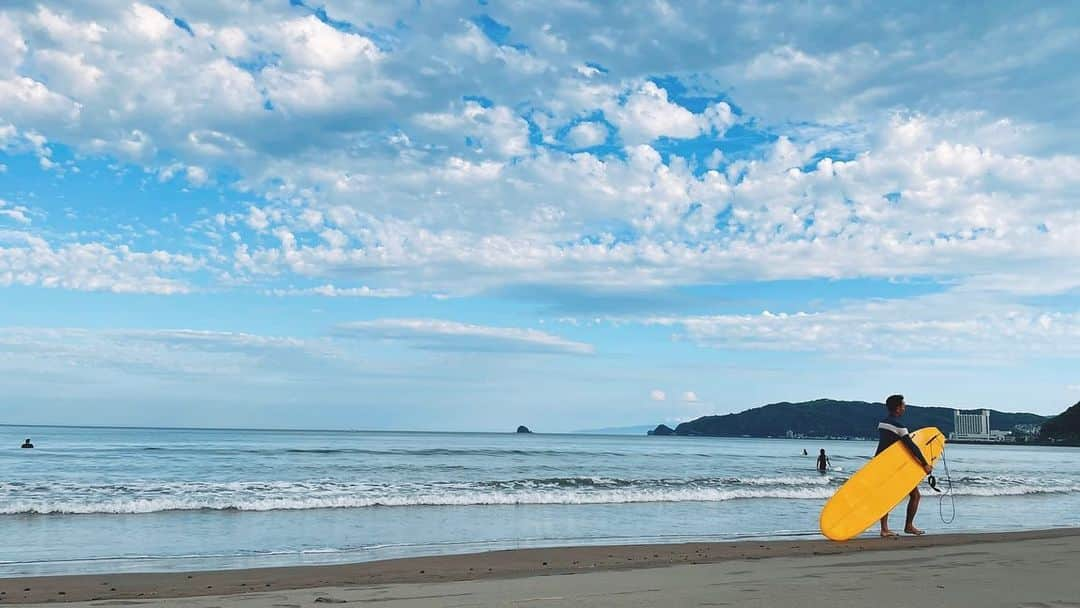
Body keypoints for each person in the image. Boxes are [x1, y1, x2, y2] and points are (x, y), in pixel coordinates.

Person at [878, 394, 932, 537]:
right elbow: (911, 447)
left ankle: (884, 528)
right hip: (895, 467)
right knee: (915, 495)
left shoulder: (882, 423)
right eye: (903, 405)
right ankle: (907, 526)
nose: (904, 407)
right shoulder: (899, 426)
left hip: (880, 463)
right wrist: (925, 464)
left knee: (886, 496)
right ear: (897, 408)